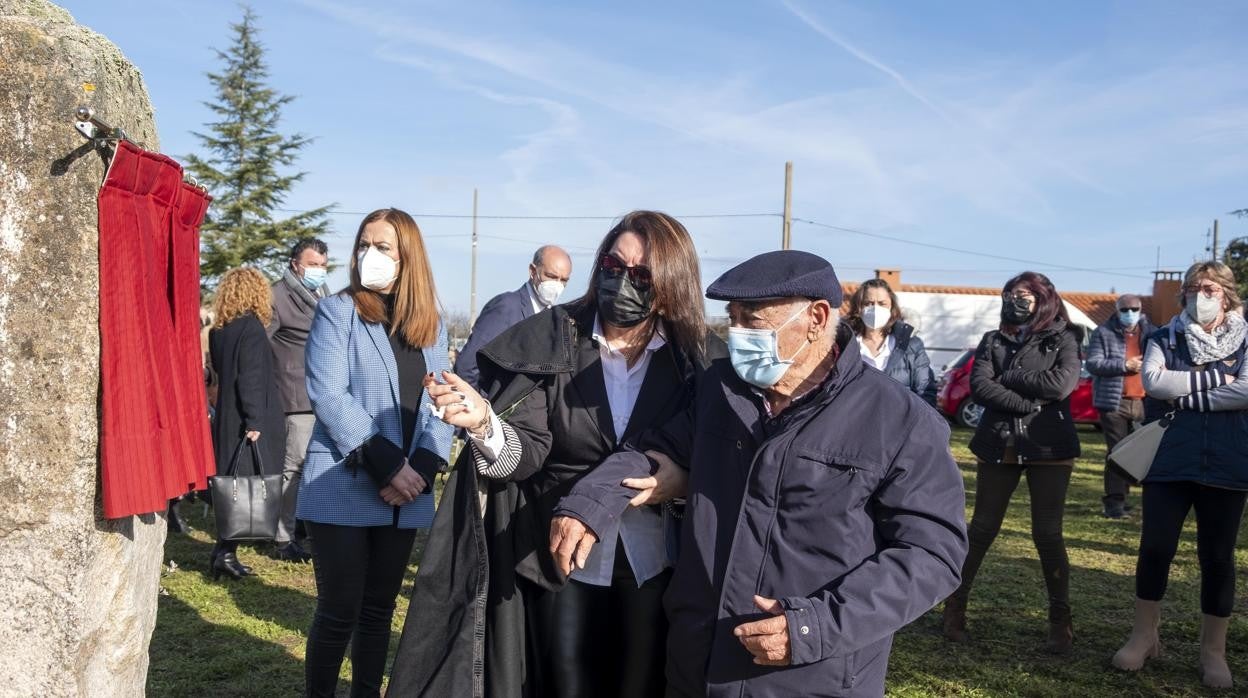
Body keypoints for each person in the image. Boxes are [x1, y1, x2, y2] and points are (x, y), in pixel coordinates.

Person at [549, 250, 969, 697]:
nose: (737, 334)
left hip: (810, 677)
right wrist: (589, 503)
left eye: (753, 320)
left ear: (816, 318)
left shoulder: (897, 419)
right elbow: (652, 451)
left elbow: (932, 553)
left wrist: (816, 627)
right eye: (732, 318)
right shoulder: (718, 390)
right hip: (698, 666)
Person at [390, 211, 720, 698]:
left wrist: (679, 486)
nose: (622, 280)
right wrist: (484, 422)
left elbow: (711, 459)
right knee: (564, 682)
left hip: (655, 561)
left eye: (641, 274)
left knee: (642, 681)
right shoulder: (553, 338)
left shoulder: (694, 360)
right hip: (559, 561)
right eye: (613, 264)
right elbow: (524, 453)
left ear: (670, 284)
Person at [297, 208, 454, 697]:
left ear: (408, 257)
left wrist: (422, 469)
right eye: (364, 245)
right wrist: (389, 464)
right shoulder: (337, 311)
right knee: (339, 609)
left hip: (404, 495)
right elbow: (328, 393)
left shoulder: (431, 325)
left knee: (378, 611)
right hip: (345, 480)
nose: (370, 255)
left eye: (383, 247)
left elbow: (440, 405)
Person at [1111, 262, 1248, 689]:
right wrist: (1217, 381)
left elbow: (1246, 389)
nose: (1199, 295)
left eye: (1208, 288)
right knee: (1155, 548)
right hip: (1170, 460)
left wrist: (1187, 390)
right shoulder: (1163, 336)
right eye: (1191, 288)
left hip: (1229, 461)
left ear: (1226, 293)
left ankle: (1213, 652)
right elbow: (1153, 383)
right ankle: (1144, 636)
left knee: (1218, 558)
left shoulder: (1245, 339)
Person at [941, 272, 1084, 654]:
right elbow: (981, 387)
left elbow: (1061, 385)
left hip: (1050, 444)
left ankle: (1060, 620)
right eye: (1009, 294)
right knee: (983, 527)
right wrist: (1026, 403)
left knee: (1047, 533)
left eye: (1024, 295)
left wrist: (1012, 376)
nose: (1014, 300)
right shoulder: (993, 339)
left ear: (1043, 299)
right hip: (999, 439)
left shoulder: (1065, 337)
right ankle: (954, 606)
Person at [207, 267, 287, 581]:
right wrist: (255, 419)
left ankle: (223, 551)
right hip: (250, 416)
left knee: (232, 486)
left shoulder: (220, 330)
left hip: (227, 416)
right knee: (245, 486)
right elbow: (250, 377)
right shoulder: (252, 328)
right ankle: (226, 552)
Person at [266, 237, 330, 562]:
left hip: (324, 393)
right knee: (294, 467)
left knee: (316, 466)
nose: (318, 270)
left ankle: (305, 529)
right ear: (295, 264)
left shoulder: (324, 294)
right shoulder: (277, 296)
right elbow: (262, 345)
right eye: (312, 264)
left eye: (322, 265)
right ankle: (282, 538)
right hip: (295, 394)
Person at [454, 245, 573, 389]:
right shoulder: (507, 307)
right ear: (533, 271)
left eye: (563, 280)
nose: (557, 285)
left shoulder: (551, 317)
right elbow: (467, 366)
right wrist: (480, 405)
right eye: (551, 276)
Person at [1085, 293, 1156, 519]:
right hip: (1114, 402)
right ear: (1117, 311)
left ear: (1141, 309)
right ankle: (1114, 503)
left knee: (1146, 453)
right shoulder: (1103, 333)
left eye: (1133, 309)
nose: (1129, 313)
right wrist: (1124, 365)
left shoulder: (1152, 333)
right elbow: (1094, 364)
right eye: (1124, 309)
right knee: (1117, 453)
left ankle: (1146, 501)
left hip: (1145, 401)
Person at [846, 278, 935, 402]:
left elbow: (925, 391)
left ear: (891, 307)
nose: (875, 309)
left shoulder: (911, 345)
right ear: (858, 308)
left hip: (899, 419)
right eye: (868, 303)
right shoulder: (844, 344)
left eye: (882, 303)